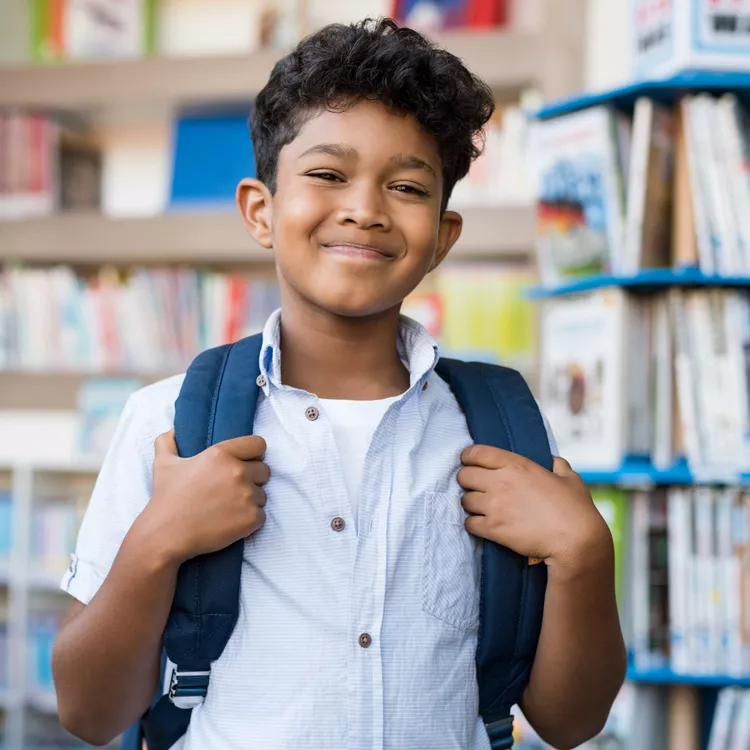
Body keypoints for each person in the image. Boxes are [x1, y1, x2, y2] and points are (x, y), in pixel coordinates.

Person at [51, 18, 626, 750]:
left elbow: (571, 723)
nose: (365, 208)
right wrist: (156, 543)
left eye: (408, 185)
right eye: (328, 174)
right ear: (261, 210)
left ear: (443, 237)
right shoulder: (168, 425)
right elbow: (87, 712)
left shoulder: (499, 428)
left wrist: (584, 552)